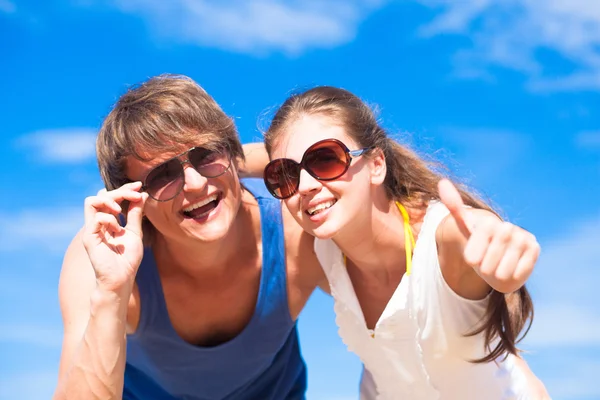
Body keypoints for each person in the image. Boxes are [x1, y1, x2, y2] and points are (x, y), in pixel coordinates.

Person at [260, 86, 549, 399]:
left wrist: (501, 245)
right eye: (284, 174)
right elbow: (232, 158)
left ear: (376, 165)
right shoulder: (321, 251)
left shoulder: (442, 241)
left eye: (326, 159)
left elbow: (474, 232)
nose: (303, 186)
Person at [52, 74, 327, 400]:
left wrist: (234, 161)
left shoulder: (295, 235)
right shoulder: (100, 256)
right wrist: (112, 293)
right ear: (131, 198)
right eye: (162, 175)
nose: (195, 184)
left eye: (206, 155)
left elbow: (398, 273)